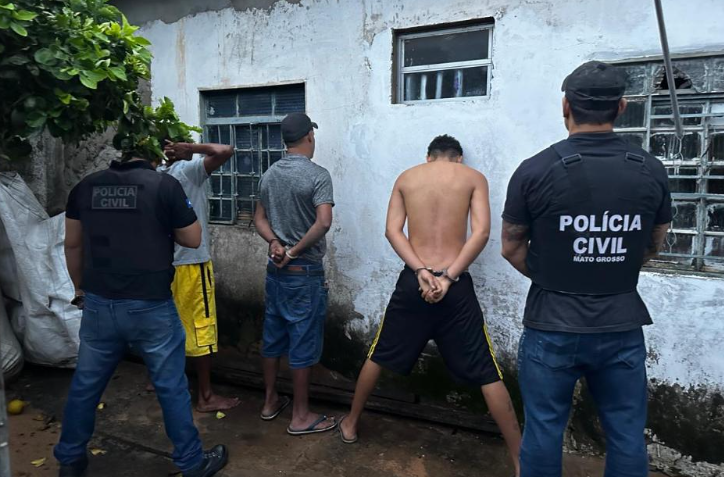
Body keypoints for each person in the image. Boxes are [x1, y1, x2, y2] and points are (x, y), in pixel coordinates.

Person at [501, 61, 672, 477]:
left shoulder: (534, 169)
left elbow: (511, 246)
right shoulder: (650, 168)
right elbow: (654, 242)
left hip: (551, 325)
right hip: (621, 324)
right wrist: (610, 267)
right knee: (627, 434)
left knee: (543, 430)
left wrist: (556, 276)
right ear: (622, 106)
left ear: (566, 106)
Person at [339, 135, 522, 476]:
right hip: (455, 283)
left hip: (415, 282)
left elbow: (393, 231)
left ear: (428, 156)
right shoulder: (473, 178)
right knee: (486, 369)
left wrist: (421, 271)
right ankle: (519, 460)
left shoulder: (407, 178)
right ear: (458, 158)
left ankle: (350, 423)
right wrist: (448, 277)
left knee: (379, 353)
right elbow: (481, 233)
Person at [55, 153, 228, 477]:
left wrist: (80, 290)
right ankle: (192, 463)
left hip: (99, 304)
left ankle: (70, 460)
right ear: (151, 153)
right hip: (151, 306)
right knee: (171, 387)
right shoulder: (164, 185)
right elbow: (192, 238)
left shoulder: (86, 186)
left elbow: (73, 245)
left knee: (85, 386)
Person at [253, 112, 337, 436]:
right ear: (309, 137)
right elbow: (324, 222)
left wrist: (275, 243)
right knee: (302, 340)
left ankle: (269, 402)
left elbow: (259, 218)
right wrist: (293, 252)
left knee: (273, 337)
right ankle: (300, 416)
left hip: (275, 273)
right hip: (303, 273)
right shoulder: (318, 175)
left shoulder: (269, 174)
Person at [156, 140, 240, 412]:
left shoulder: (155, 175)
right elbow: (225, 150)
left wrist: (187, 150)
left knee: (165, 327)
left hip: (162, 264)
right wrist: (191, 149)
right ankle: (205, 396)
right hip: (191, 262)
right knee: (201, 329)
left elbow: (223, 151)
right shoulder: (185, 171)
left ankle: (157, 382)